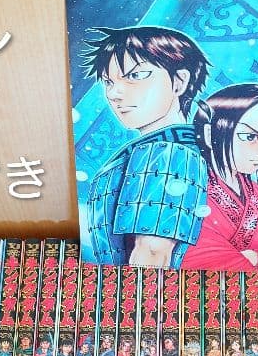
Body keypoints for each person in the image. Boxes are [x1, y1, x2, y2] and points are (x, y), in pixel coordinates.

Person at [81, 26, 210, 267]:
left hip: (138, 287)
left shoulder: (168, 152)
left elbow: (152, 252)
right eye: (108, 81)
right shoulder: (166, 148)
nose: (114, 93)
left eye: (135, 75)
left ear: (179, 82)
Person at [181, 83, 258, 271]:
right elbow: (204, 262)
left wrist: (257, 257)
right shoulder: (188, 195)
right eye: (251, 136)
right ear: (210, 134)